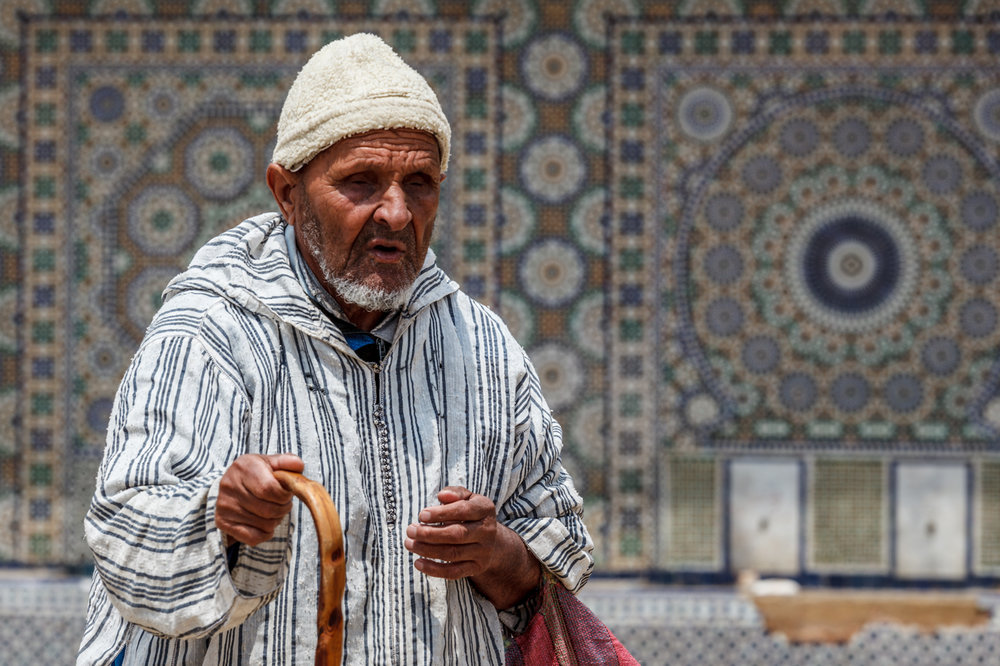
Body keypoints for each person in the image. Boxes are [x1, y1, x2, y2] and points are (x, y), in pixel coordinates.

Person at [77, 32, 593, 665]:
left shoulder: (483, 348)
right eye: (362, 182)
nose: (398, 213)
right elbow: (126, 541)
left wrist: (496, 554)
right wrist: (222, 519)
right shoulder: (212, 331)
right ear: (287, 194)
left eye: (421, 183)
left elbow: (557, 557)